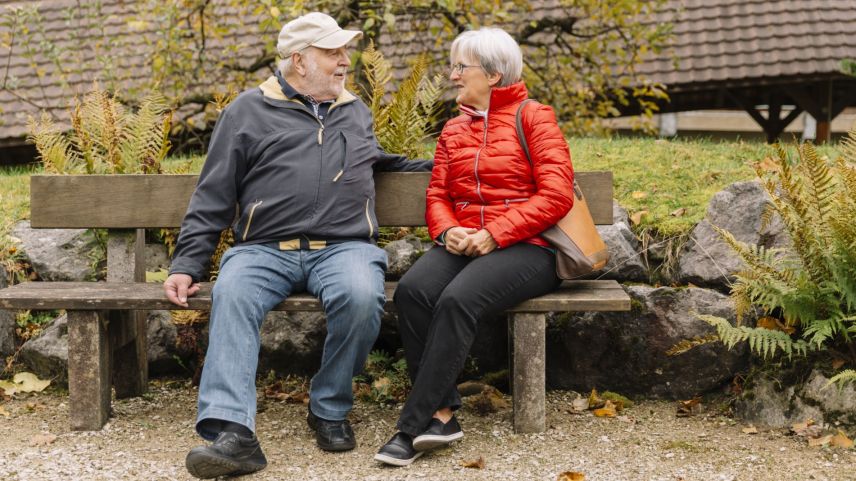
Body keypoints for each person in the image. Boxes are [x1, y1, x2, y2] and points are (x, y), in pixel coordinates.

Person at [163, 12, 431, 479]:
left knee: (362, 295)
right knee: (233, 294)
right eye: (333, 52)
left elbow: (375, 160)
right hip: (263, 248)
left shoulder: (354, 110)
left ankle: (328, 407)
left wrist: (456, 165)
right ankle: (233, 433)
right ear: (299, 61)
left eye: (344, 51)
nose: (345, 60)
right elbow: (214, 193)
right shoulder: (246, 111)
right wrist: (187, 262)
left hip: (345, 246)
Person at [374, 27, 575, 466]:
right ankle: (443, 414)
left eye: (461, 67)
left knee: (457, 300)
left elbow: (557, 195)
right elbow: (438, 195)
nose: (452, 76)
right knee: (413, 292)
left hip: (529, 246)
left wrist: (496, 232)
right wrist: (449, 232)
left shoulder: (534, 117)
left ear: (494, 74)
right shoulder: (453, 129)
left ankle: (412, 426)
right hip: (466, 241)